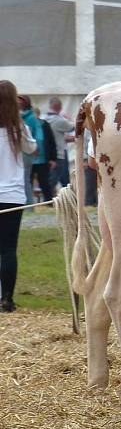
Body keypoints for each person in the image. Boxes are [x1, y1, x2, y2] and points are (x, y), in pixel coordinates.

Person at [0, 81, 38, 312]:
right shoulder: (19, 128)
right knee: (7, 249)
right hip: (12, 195)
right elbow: (32, 149)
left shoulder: (18, 128)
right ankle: (7, 299)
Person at [19, 96, 54, 204]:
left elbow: (39, 137)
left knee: (42, 181)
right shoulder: (19, 117)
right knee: (27, 180)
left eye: (21, 101)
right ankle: (27, 203)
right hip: (25, 153)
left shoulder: (31, 118)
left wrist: (35, 149)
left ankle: (47, 203)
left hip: (35, 155)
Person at [44, 96, 75, 192]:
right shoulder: (59, 120)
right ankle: (50, 199)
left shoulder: (44, 119)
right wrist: (68, 118)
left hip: (47, 153)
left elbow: (59, 136)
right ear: (60, 108)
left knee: (54, 178)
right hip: (59, 153)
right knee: (58, 179)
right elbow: (74, 127)